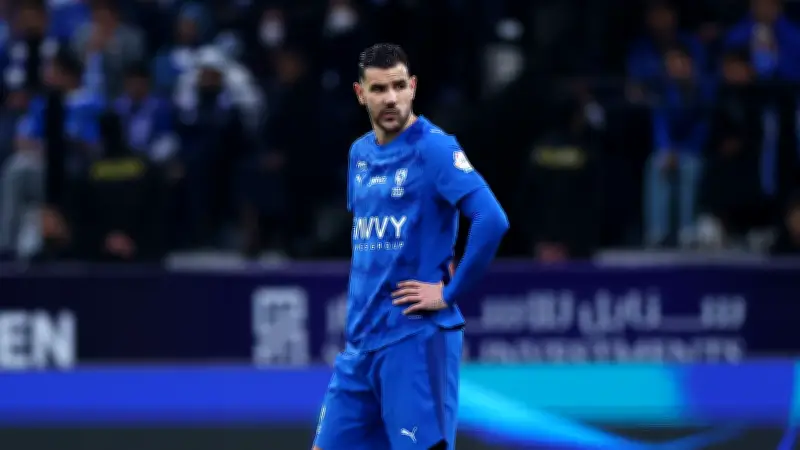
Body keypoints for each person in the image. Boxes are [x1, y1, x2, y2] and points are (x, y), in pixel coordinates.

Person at [312, 44, 509, 450]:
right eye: (379, 88)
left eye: (399, 86)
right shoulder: (359, 154)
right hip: (360, 345)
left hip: (413, 339)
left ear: (413, 87)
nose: (391, 98)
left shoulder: (435, 148)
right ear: (360, 93)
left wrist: (449, 292)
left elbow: (491, 219)